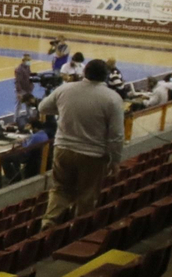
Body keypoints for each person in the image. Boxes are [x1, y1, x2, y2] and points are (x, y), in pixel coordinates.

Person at [38, 58, 125, 226]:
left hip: (62, 149)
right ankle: (78, 229)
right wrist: (115, 160)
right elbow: (116, 135)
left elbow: (43, 107)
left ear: (84, 72)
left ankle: (49, 221)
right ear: (106, 76)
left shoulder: (65, 89)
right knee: (87, 194)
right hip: (92, 155)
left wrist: (65, 110)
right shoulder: (112, 98)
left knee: (59, 189)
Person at [14, 53, 37, 118]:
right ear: (24, 60)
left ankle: (30, 117)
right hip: (22, 90)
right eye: (28, 60)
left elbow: (28, 76)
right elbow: (17, 81)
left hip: (28, 89)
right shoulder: (19, 70)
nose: (29, 61)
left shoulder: (28, 67)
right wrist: (19, 92)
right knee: (19, 105)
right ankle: (16, 119)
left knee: (29, 105)